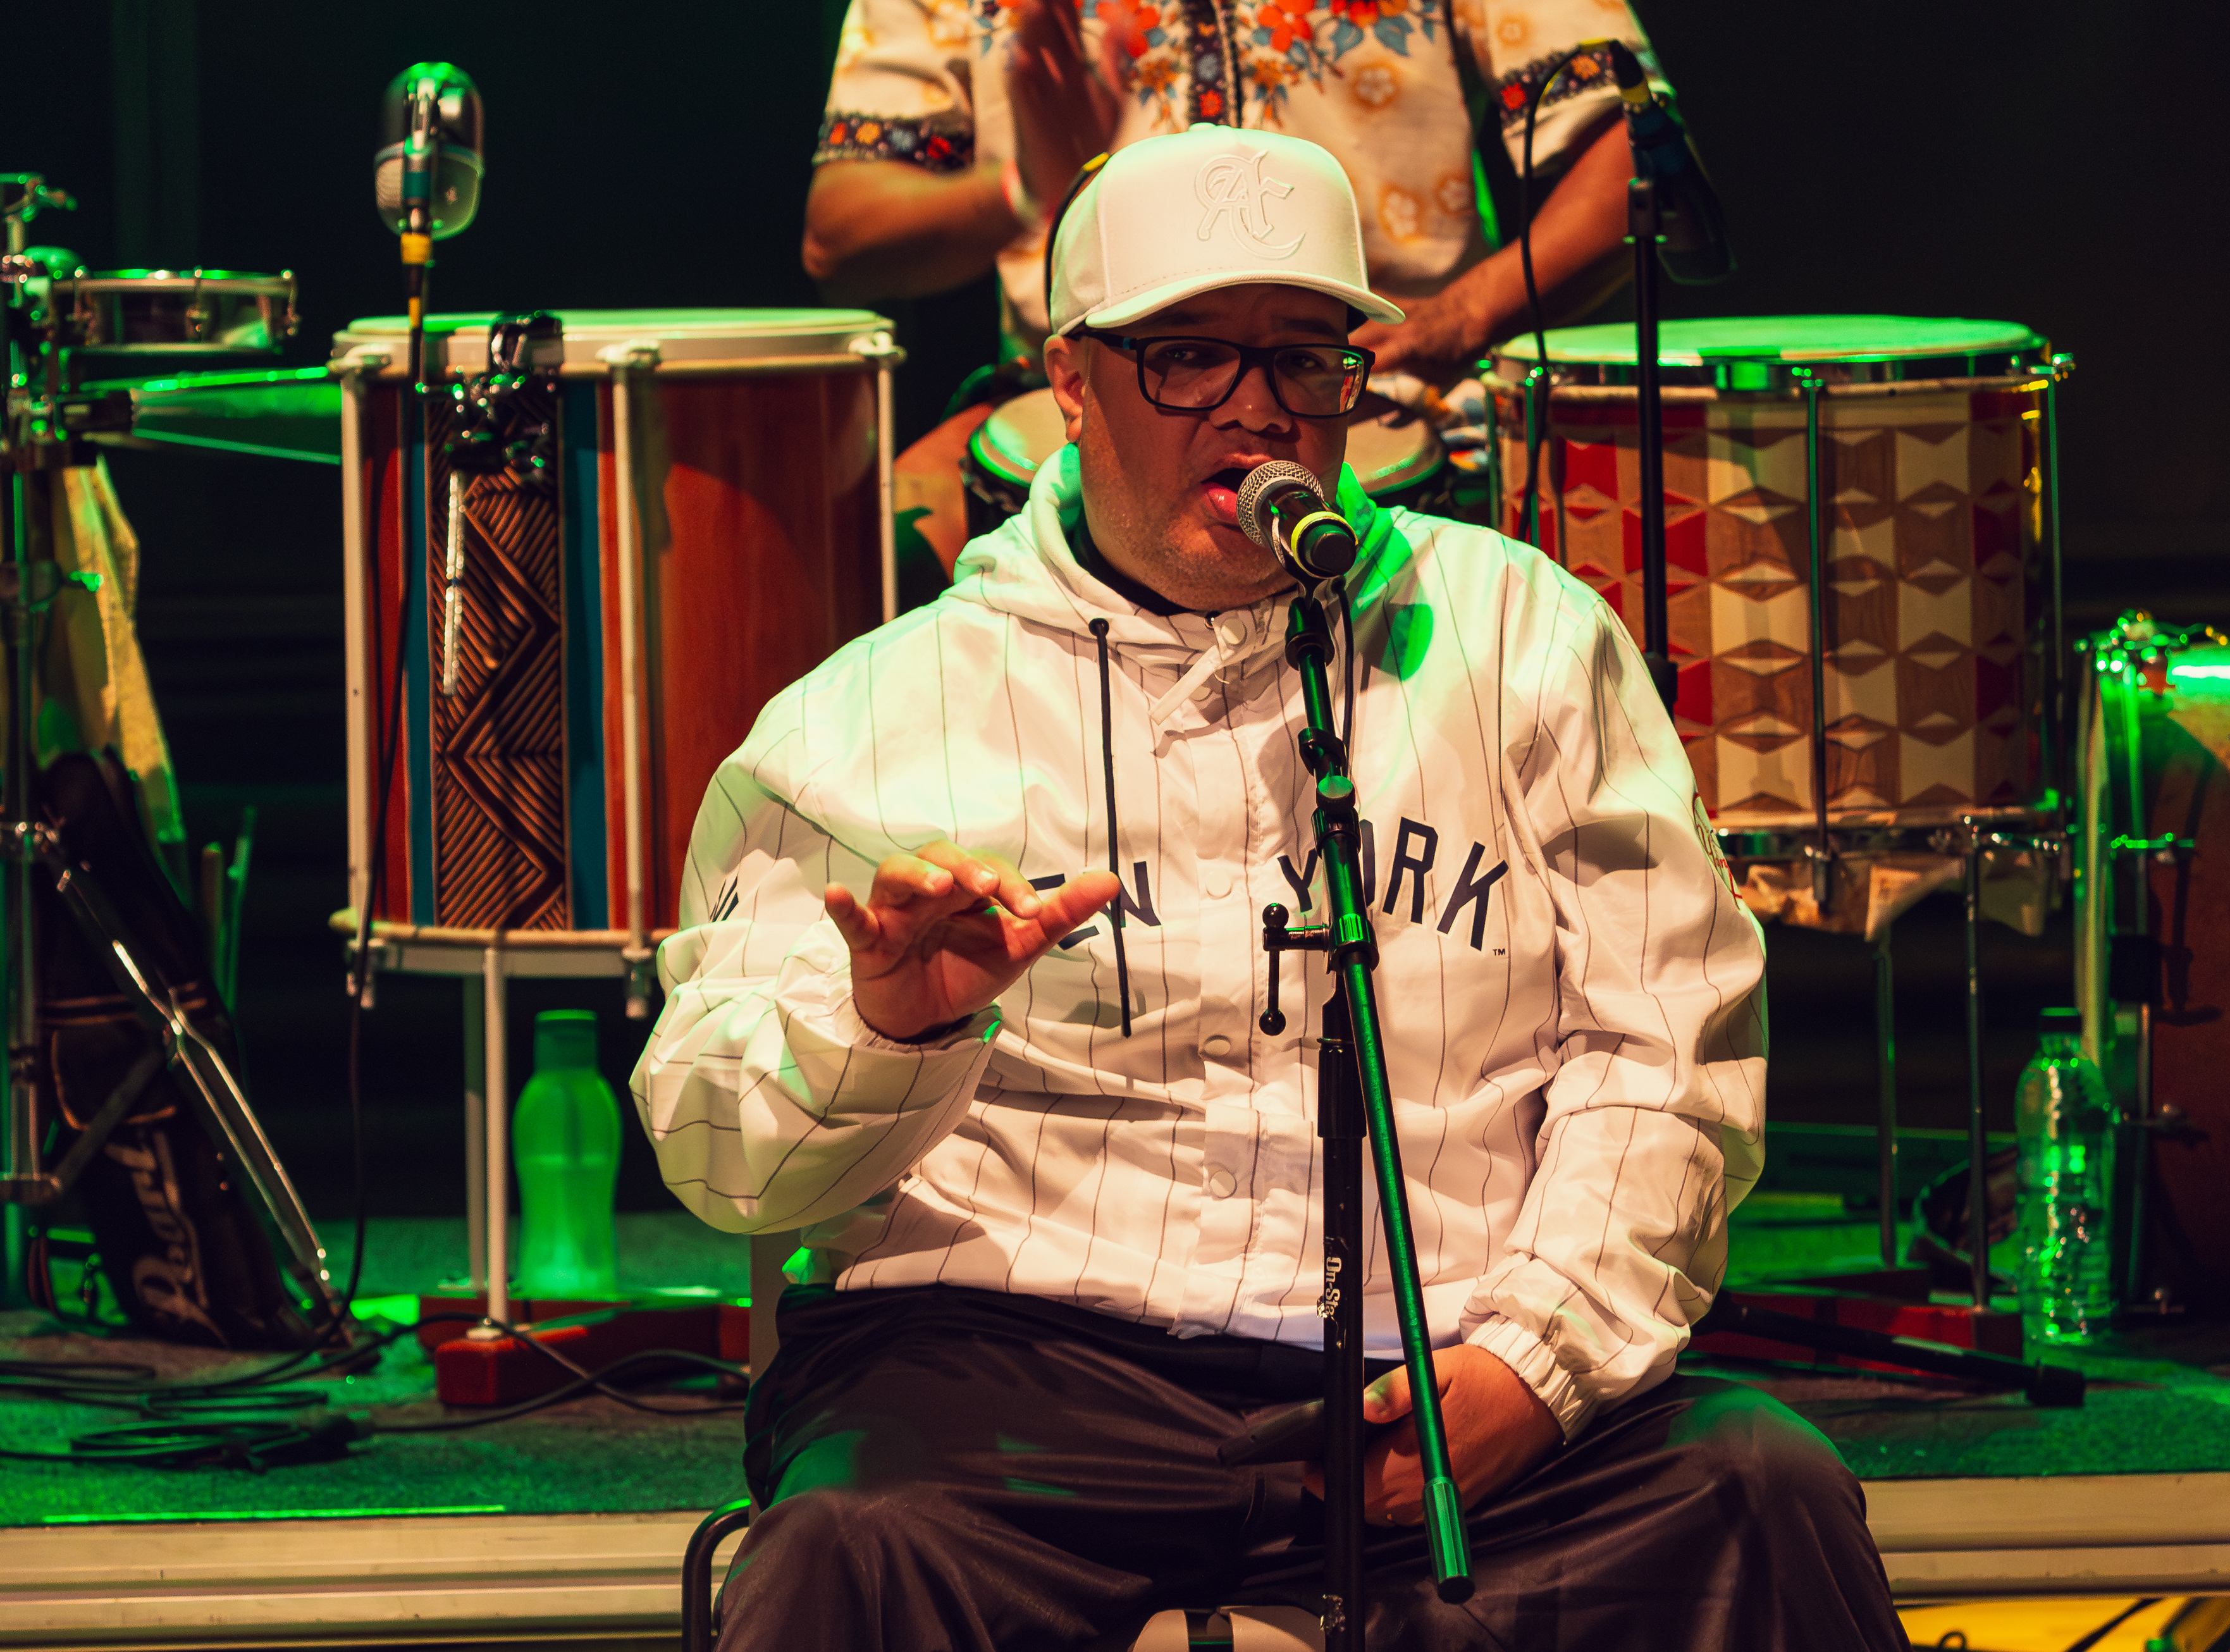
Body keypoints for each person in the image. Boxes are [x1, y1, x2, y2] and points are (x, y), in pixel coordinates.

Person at [638, 126, 1900, 1650]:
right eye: (1187, 355)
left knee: (1761, 1487)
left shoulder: (1525, 643)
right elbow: (720, 1160)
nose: (1256, 407)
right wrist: (882, 1032)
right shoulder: (869, 718)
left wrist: (1537, 1362)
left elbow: (1664, 1052)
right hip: (1009, 1377)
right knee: (855, 1540)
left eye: (1305, 358)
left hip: (1442, 1352)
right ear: (1071, 379)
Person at [806, 0, 1685, 578]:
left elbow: (1637, 158)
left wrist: (1461, 315)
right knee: (875, 535)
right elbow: (838, 228)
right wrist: (1019, 191)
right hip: (1097, 380)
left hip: (1377, 377)